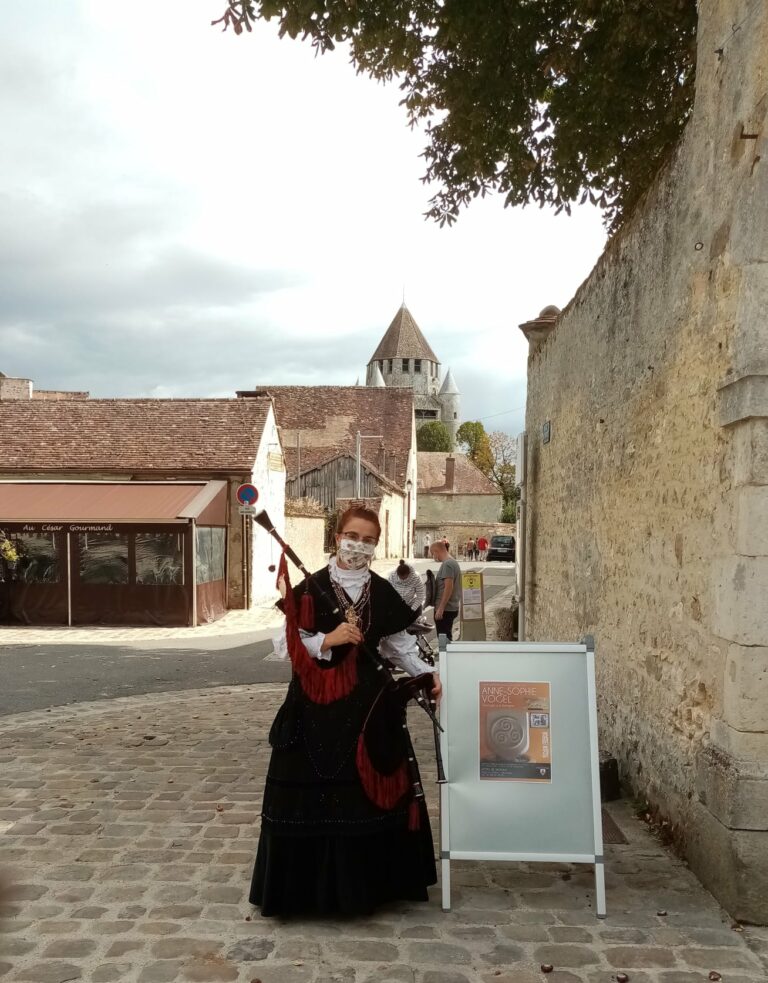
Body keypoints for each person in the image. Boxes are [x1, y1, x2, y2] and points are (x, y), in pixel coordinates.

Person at [249, 505, 440, 917]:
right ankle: (306, 895)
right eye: (353, 536)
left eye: (369, 540)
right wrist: (329, 638)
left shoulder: (381, 590)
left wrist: (428, 674)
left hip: (368, 713)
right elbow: (286, 645)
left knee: (365, 798)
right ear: (338, 537)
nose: (360, 545)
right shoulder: (310, 588)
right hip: (314, 712)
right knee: (313, 796)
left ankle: (367, 891)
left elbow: (397, 647)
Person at [429, 539, 461, 641]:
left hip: (446, 609)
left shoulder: (447, 564)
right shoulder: (452, 562)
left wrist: (441, 608)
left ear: (436, 552)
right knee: (446, 636)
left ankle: (445, 656)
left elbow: (448, 587)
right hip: (450, 608)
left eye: (432, 554)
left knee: (444, 639)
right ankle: (446, 655)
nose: (433, 557)